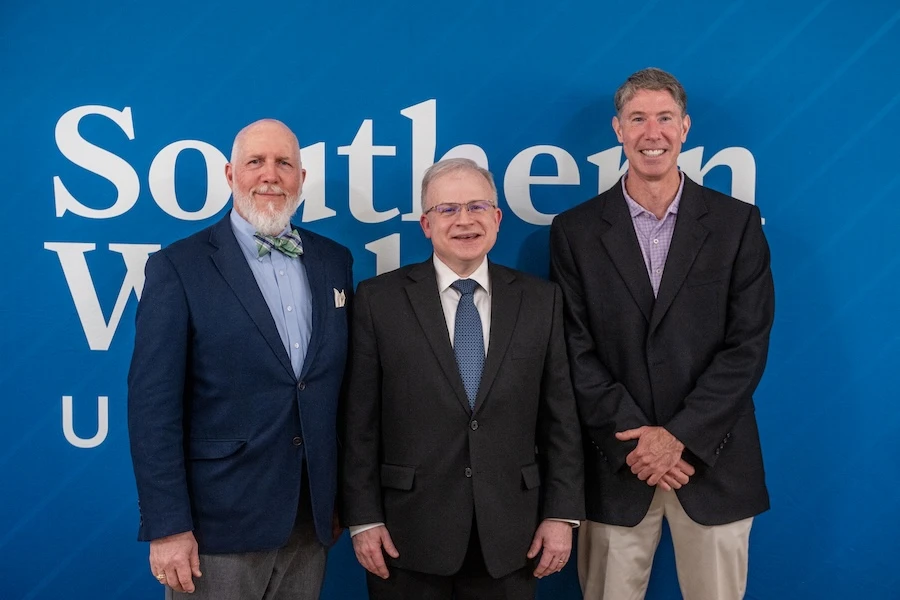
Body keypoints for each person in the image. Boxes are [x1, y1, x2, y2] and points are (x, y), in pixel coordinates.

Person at [549, 68, 775, 600]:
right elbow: (572, 350)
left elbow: (748, 345)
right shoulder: (575, 231)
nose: (653, 132)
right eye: (638, 119)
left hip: (714, 461)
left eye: (665, 118)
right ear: (618, 129)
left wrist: (678, 438)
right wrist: (639, 441)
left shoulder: (737, 223)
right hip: (618, 466)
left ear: (686, 126)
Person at [128, 118, 353, 599]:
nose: (270, 175)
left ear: (301, 179)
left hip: (308, 520)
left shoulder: (334, 261)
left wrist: (339, 497)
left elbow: (334, 387)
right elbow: (152, 408)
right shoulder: (178, 266)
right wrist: (168, 526)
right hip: (216, 527)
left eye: (284, 163)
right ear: (231, 175)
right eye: (256, 162)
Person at [341, 158, 584, 599]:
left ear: (497, 218)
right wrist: (364, 519)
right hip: (405, 536)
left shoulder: (540, 300)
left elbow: (561, 419)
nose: (464, 220)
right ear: (426, 224)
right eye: (448, 209)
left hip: (513, 536)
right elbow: (360, 422)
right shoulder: (379, 301)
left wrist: (561, 515)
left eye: (476, 206)